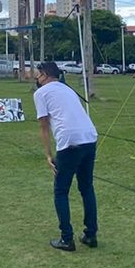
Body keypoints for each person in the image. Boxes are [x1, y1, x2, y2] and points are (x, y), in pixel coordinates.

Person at [33, 60, 99, 252]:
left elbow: (43, 125)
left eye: (37, 75)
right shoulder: (67, 89)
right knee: (86, 187)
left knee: (61, 190)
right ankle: (91, 233)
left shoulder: (41, 93)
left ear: (45, 75)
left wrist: (48, 155)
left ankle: (66, 238)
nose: (36, 79)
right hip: (89, 136)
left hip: (69, 141)